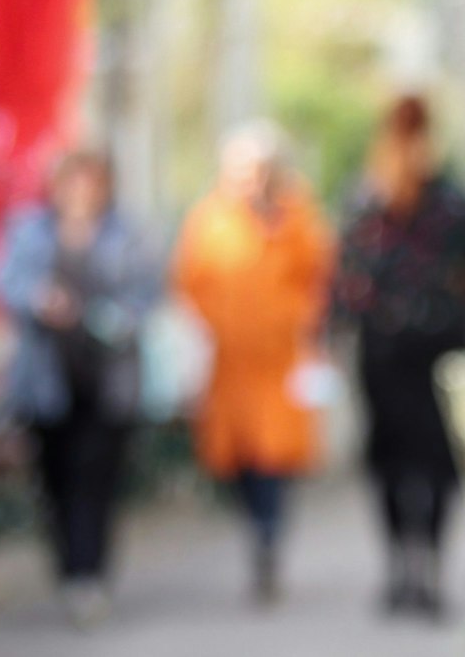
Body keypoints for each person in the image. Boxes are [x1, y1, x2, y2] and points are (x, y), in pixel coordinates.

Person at [334, 95, 465, 619]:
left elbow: (344, 280)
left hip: (398, 349)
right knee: (426, 461)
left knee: (402, 460)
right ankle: (419, 564)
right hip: (424, 348)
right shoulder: (435, 200)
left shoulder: (377, 198)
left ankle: (408, 566)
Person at [0, 150, 164, 628]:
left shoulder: (127, 232)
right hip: (48, 379)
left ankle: (90, 574)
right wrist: (39, 301)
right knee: (55, 481)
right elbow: (4, 282)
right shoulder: (30, 230)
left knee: (98, 478)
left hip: (107, 379)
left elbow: (148, 292)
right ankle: (70, 568)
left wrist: (111, 319)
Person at [171, 122, 334, 605]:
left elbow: (319, 278)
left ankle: (268, 537)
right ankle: (258, 527)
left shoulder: (298, 217)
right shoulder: (209, 220)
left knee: (274, 459)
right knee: (236, 459)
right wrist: (210, 324)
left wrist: (299, 320)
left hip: (281, 359)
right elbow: (189, 281)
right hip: (229, 362)